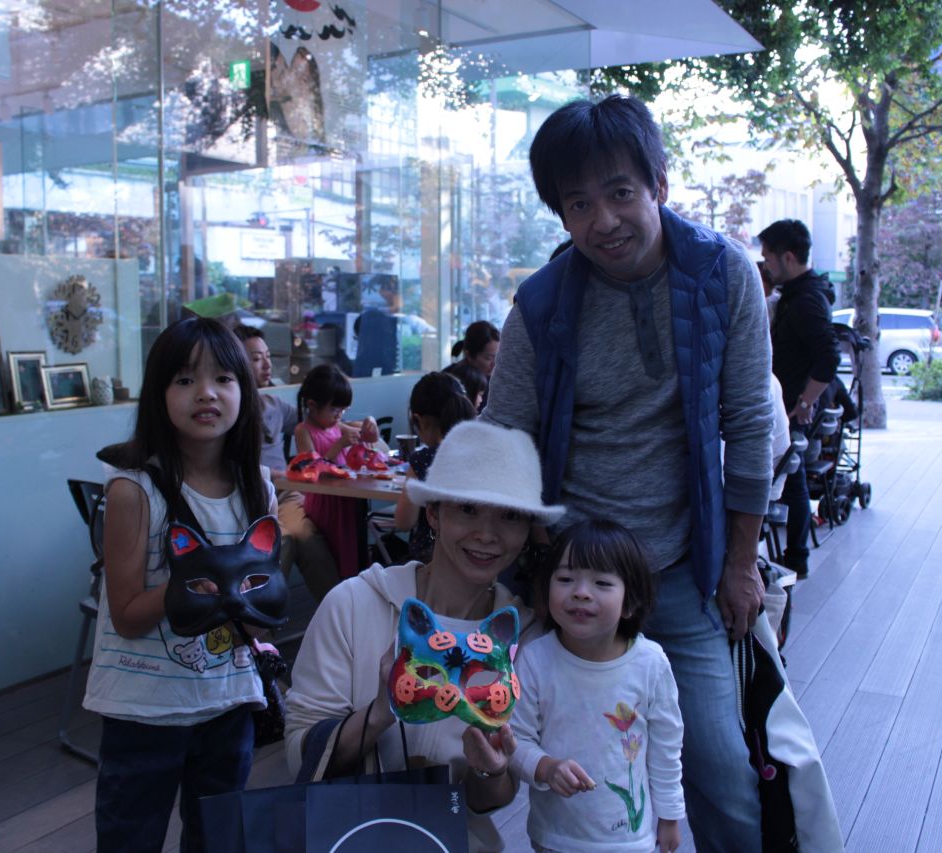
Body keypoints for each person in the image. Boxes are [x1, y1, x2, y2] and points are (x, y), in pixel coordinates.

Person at [482, 95, 809, 852]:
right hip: (572, 574)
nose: (603, 220)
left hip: (681, 566)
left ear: (659, 183)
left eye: (620, 192)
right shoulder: (541, 303)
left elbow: (749, 425)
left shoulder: (722, 274)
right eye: (578, 204)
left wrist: (740, 564)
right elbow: (504, 433)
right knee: (579, 760)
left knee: (721, 767)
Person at [284, 420, 565, 852]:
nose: (487, 534)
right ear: (433, 513)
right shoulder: (354, 604)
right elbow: (300, 755)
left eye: (510, 516)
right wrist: (381, 711)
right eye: (467, 509)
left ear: (528, 530)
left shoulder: (523, 639)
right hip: (344, 837)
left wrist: (490, 769)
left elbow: (489, 801)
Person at [83, 316, 277, 853]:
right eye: (185, 379)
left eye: (223, 378)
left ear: (245, 390)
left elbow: (260, 612)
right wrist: (193, 587)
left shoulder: (258, 488)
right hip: (144, 708)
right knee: (130, 841)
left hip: (229, 701)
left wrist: (252, 601)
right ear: (159, 394)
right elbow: (125, 614)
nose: (206, 393)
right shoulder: (133, 490)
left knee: (218, 840)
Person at [509, 519, 684, 853]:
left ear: (629, 602)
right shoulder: (535, 659)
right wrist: (546, 768)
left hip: (630, 841)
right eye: (565, 579)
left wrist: (670, 815)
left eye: (602, 582)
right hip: (556, 839)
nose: (580, 592)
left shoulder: (650, 663)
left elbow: (666, 745)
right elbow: (515, 738)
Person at [759, 218, 841, 579]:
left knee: (792, 482)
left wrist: (806, 402)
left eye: (768, 257)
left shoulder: (806, 299)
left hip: (792, 406)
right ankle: (796, 556)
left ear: (788, 257)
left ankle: (797, 557)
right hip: (787, 402)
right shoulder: (799, 293)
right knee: (793, 482)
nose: (766, 265)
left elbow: (829, 356)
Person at [236, 326, 339, 600]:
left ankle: (341, 612)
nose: (267, 364)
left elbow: (317, 423)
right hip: (251, 496)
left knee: (309, 537)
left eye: (268, 356)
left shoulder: (274, 404)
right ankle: (260, 620)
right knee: (283, 540)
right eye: (256, 358)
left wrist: (356, 425)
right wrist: (277, 474)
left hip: (286, 493)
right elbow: (229, 464)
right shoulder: (230, 410)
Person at [293, 364, 379, 581]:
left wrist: (371, 424)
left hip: (345, 498)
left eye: (343, 410)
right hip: (324, 502)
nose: (339, 416)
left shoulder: (337, 426)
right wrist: (339, 445)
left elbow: (369, 437)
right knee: (335, 553)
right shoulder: (303, 431)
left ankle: (355, 588)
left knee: (352, 550)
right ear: (312, 405)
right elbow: (310, 468)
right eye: (334, 410)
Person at [393, 372, 479, 563]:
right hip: (478, 554)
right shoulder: (482, 452)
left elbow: (404, 522)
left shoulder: (423, 460)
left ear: (419, 419)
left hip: (432, 559)